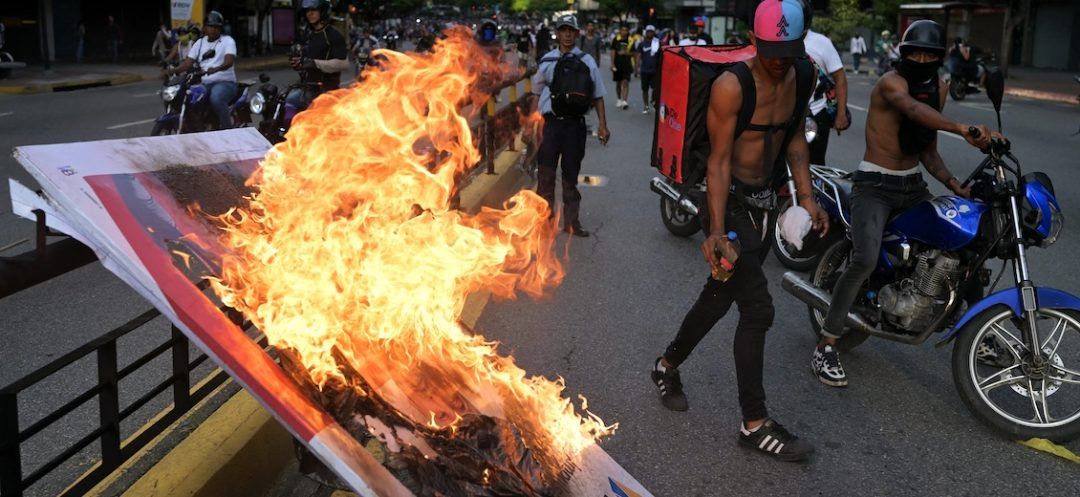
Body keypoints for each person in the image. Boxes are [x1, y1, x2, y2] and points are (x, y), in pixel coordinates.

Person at [652, 0, 824, 462]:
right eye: (770, 49)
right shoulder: (733, 86)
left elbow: (792, 136)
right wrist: (713, 230)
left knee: (719, 296)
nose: (777, 59)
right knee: (758, 308)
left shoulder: (803, 75)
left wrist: (806, 197)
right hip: (729, 203)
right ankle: (754, 423)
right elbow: (719, 160)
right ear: (753, 39)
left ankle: (666, 366)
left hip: (765, 203)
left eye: (787, 50)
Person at [810, 20, 994, 387]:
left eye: (929, 54)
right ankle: (827, 343)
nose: (921, 59)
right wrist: (960, 128)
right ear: (903, 53)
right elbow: (912, 110)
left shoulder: (938, 88)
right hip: (874, 186)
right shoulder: (890, 83)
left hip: (911, 186)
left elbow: (926, 147)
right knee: (864, 258)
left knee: (964, 245)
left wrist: (954, 184)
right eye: (915, 53)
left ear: (940, 57)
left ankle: (978, 332)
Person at [532, 14, 610, 238]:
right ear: (557, 33)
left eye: (570, 30)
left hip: (574, 127)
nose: (567, 34)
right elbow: (535, 95)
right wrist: (530, 125)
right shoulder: (547, 61)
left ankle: (572, 222)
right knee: (545, 175)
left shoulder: (587, 62)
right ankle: (544, 221)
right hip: (550, 126)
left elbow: (598, 96)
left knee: (570, 175)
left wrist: (603, 126)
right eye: (563, 30)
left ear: (576, 33)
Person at [165, 11, 237, 130]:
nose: (213, 30)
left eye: (216, 27)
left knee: (216, 98)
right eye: (210, 26)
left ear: (220, 28)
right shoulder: (200, 43)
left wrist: (217, 68)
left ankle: (227, 130)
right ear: (205, 28)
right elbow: (188, 63)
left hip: (225, 82)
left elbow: (229, 61)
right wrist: (173, 71)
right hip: (205, 83)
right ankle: (198, 127)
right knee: (191, 99)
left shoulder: (228, 41)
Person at [803, 21, 849, 164]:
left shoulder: (822, 43)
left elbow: (840, 77)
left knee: (815, 164)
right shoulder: (779, 39)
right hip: (785, 115)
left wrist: (841, 114)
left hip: (816, 115)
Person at [291, 0, 349, 103]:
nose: (310, 13)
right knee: (281, 102)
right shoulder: (310, 34)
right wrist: (299, 63)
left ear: (322, 11)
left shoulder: (333, 35)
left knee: (293, 102)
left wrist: (315, 63)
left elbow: (343, 64)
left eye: (314, 10)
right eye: (307, 10)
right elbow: (308, 60)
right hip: (307, 87)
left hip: (326, 91)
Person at [634, 25, 661, 114]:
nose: (650, 33)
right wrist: (637, 68)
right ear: (646, 32)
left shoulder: (658, 43)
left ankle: (653, 100)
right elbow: (638, 56)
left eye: (651, 31)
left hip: (655, 70)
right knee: (645, 89)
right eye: (648, 31)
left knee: (656, 88)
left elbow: (662, 56)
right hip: (644, 70)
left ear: (654, 33)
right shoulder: (642, 43)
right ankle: (646, 106)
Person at [609, 25, 634, 109]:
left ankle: (625, 101)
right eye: (622, 30)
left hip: (627, 65)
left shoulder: (630, 40)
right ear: (620, 31)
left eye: (626, 30)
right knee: (618, 83)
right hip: (617, 64)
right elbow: (612, 51)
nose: (624, 32)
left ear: (628, 31)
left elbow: (634, 53)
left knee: (626, 82)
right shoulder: (616, 39)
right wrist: (612, 64)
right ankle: (619, 99)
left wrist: (626, 53)